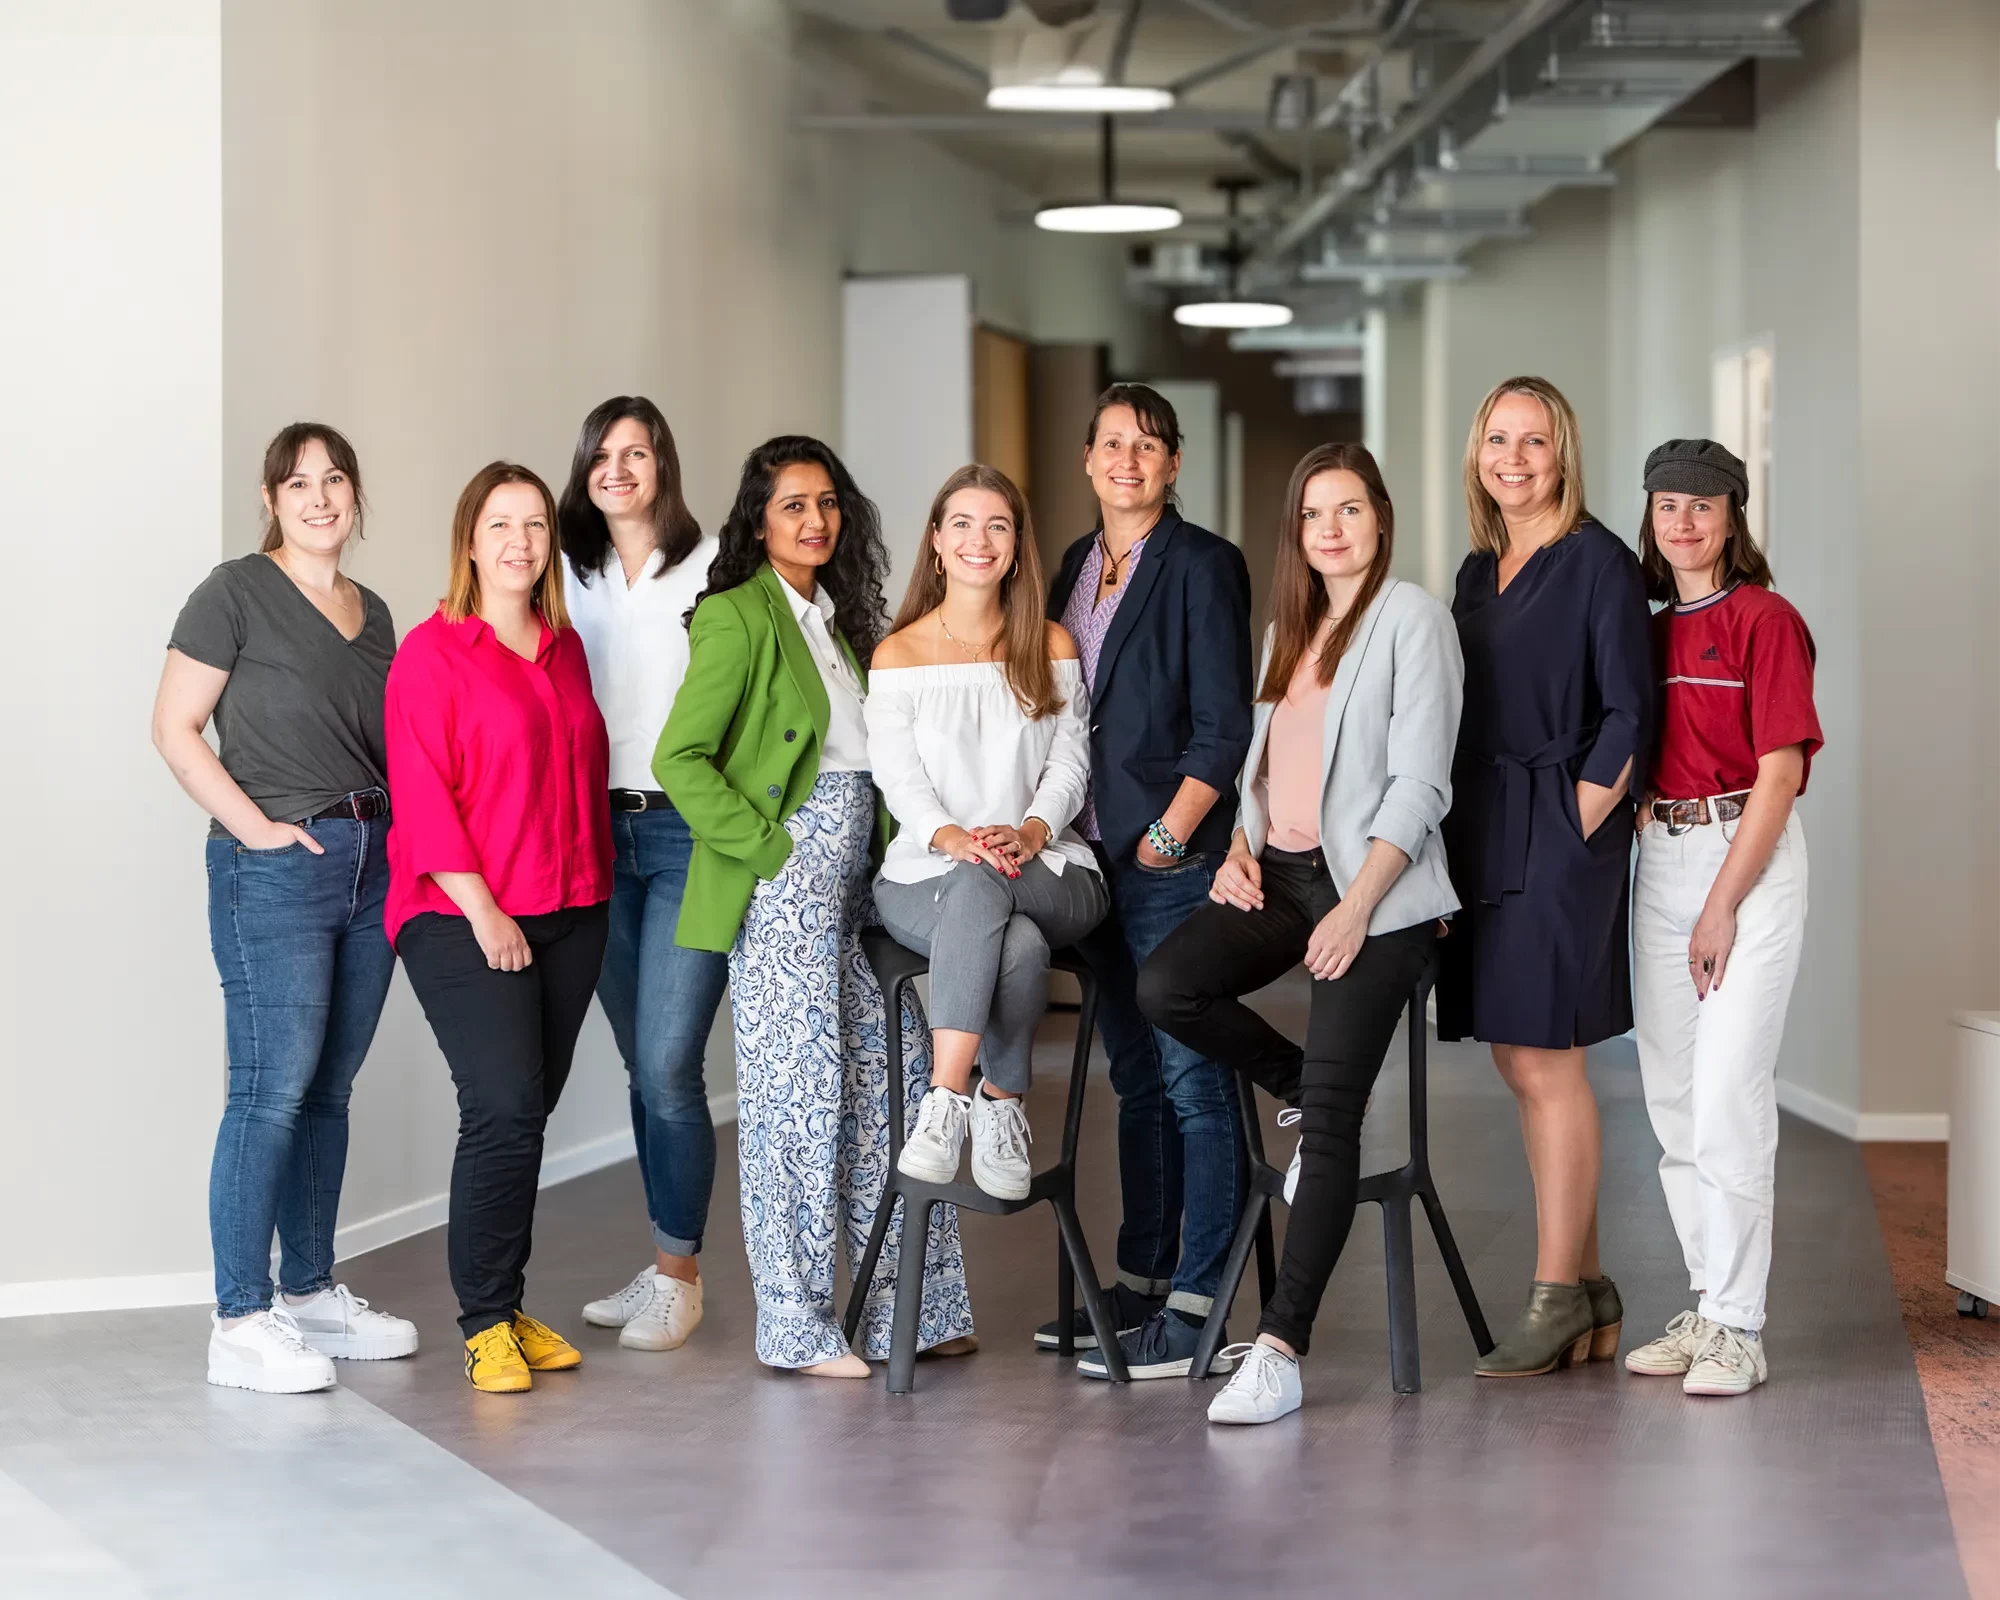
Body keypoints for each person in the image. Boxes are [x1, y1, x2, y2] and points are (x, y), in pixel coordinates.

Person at [1139, 443, 1463, 1423]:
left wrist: (1356, 906)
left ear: (1379, 516)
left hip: (1382, 894)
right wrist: (1234, 841)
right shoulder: (1291, 628)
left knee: (1327, 1131)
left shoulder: (1412, 619)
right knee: (1166, 986)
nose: (1329, 529)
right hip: (1279, 877)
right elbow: (1264, 765)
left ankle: (1278, 1348)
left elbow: (1420, 782)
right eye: (1313, 513)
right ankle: (1302, 1084)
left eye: (1348, 509)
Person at [655, 436, 974, 1377]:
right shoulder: (736, 617)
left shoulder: (839, 623)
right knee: (796, 1103)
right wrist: (772, 850)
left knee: (897, 1083)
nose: (817, 520)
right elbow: (680, 759)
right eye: (794, 504)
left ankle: (907, 1310)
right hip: (787, 884)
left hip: (862, 894)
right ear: (760, 518)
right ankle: (795, 1324)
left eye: (828, 502)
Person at [155, 423, 420, 1395]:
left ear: (355, 496)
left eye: (335, 480)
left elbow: (391, 745)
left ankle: (307, 1292)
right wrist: (257, 830)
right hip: (276, 866)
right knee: (270, 1086)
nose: (319, 498)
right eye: (298, 482)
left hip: (371, 862)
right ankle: (239, 1316)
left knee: (326, 1089)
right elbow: (174, 726)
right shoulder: (233, 593)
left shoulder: (376, 612)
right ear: (270, 498)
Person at [1438, 375, 1653, 1378]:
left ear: (1561, 452)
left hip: (1560, 830)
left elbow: (1627, 710)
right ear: (1475, 453)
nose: (1513, 459)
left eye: (1532, 441)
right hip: (1483, 828)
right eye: (1496, 440)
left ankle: (1553, 1295)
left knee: (1547, 1055)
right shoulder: (1477, 570)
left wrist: (1574, 819)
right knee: (1513, 1059)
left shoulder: (1599, 563)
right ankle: (1591, 1288)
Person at [1041, 384, 1255, 1382]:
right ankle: (1138, 1282)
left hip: (1163, 867)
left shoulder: (1203, 565)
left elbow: (1222, 725)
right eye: (1113, 443)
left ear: (1173, 464)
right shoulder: (1072, 568)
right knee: (1136, 1080)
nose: (1129, 459)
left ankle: (1197, 1308)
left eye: (1149, 445)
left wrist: (1168, 843)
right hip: (1089, 869)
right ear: (1087, 458)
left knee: (1191, 1082)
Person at [384, 461, 613, 1394]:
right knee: (504, 1109)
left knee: (528, 1115)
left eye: (533, 525)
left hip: (572, 907)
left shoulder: (563, 646)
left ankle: (510, 1304)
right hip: (460, 910)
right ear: (469, 540)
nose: (519, 542)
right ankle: (483, 1320)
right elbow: (423, 791)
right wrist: (485, 910)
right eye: (499, 525)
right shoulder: (431, 653)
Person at [1624, 439, 1820, 1399]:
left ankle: (1742, 1325)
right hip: (1657, 856)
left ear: (1734, 517)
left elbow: (1779, 774)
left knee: (1730, 1095)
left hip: (1745, 856)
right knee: (1673, 1104)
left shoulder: (1767, 620)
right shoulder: (1649, 629)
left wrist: (1721, 905)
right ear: (1652, 521)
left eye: (1704, 506)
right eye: (1669, 506)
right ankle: (1709, 1301)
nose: (1686, 522)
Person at [868, 464, 1108, 1201]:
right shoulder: (897, 655)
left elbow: (1071, 762)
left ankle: (943, 1100)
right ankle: (1000, 1103)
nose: (980, 540)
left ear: (1016, 546)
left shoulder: (1053, 644)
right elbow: (899, 779)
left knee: (990, 885)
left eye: (997, 525)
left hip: (1053, 867)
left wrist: (1034, 831)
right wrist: (952, 838)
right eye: (963, 524)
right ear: (937, 542)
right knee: (1018, 939)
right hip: (927, 872)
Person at [558, 397, 725, 1353]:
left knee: (669, 1059)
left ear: (664, 461)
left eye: (637, 452)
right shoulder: (566, 573)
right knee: (638, 1061)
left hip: (684, 837)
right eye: (602, 455)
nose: (618, 469)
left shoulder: (712, 571)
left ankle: (681, 1275)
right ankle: (662, 1260)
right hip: (591, 838)